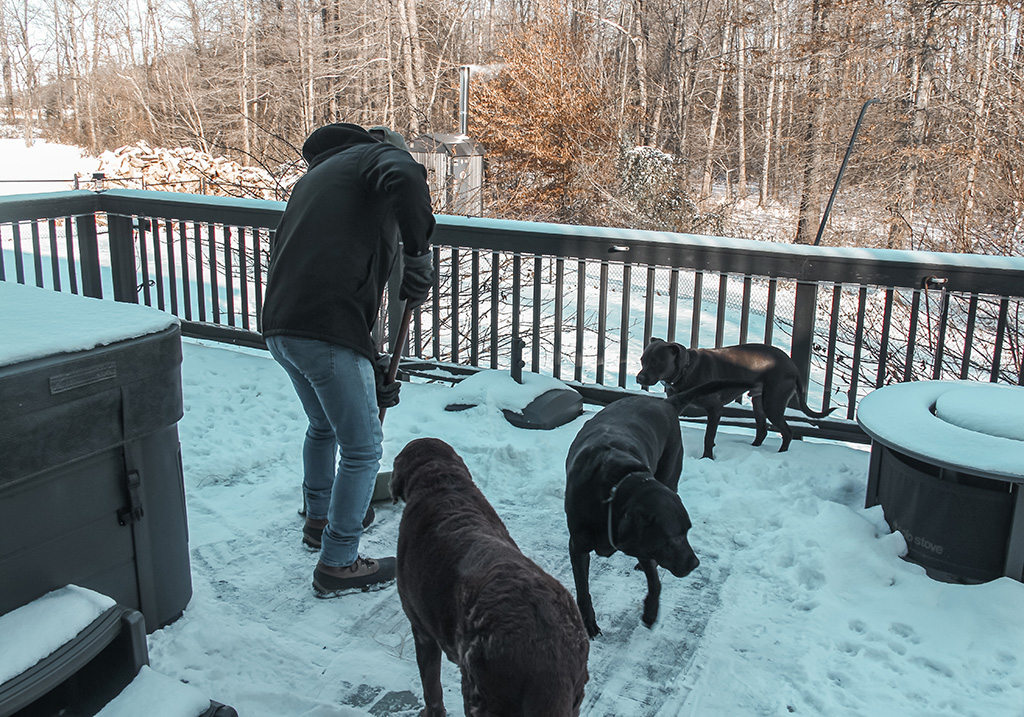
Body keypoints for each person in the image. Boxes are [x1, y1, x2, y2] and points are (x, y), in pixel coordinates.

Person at [261, 122, 434, 596]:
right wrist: (418, 254)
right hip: (326, 327)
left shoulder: (315, 180)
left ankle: (320, 519)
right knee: (362, 448)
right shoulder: (370, 157)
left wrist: (371, 367)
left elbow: (334, 270)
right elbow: (404, 174)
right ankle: (339, 561)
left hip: (283, 327)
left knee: (322, 426)